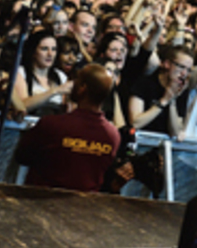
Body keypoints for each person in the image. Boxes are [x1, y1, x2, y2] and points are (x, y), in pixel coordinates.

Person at [14, 63, 120, 193]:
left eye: (77, 80)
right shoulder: (112, 135)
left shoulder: (52, 124)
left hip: (42, 202)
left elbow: (22, 156)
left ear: (82, 88)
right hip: (83, 206)